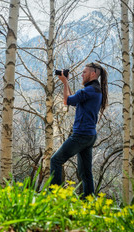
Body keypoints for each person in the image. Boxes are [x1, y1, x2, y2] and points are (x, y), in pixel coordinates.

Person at [50, 62, 108, 198]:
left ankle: (54, 197)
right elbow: (72, 100)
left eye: (84, 72)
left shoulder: (89, 90)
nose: (82, 75)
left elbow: (66, 101)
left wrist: (64, 83)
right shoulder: (95, 90)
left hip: (81, 136)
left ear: (93, 74)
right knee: (85, 172)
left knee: (56, 160)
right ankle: (89, 200)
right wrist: (66, 83)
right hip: (89, 135)